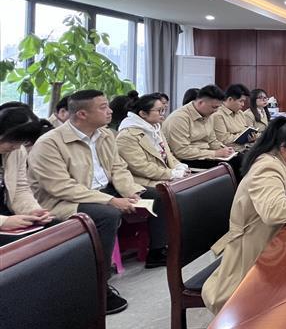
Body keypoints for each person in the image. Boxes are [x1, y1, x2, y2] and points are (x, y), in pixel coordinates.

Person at [201, 116, 286, 314]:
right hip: (257, 252)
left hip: (278, 240)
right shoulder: (267, 167)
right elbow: (273, 211)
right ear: (284, 148)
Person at [28, 89, 143, 314]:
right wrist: (111, 200)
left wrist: (131, 192)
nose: (110, 111)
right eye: (103, 107)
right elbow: (61, 187)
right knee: (107, 215)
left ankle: (159, 251)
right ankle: (97, 286)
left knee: (153, 195)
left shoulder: (105, 135)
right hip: (62, 200)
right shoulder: (50, 143)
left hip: (99, 191)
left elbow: (118, 168)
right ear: (82, 114)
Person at [116, 94, 188, 267]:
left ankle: (180, 239)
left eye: (164, 110)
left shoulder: (155, 128)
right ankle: (157, 250)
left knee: (192, 187)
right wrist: (171, 174)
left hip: (162, 175)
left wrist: (179, 167)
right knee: (163, 196)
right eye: (159, 110)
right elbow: (139, 167)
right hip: (142, 180)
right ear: (143, 113)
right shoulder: (127, 135)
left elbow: (168, 155)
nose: (163, 114)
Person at [0, 105, 54, 237]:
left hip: (8, 213)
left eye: (22, 142)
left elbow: (20, 188)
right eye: (12, 141)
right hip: (4, 220)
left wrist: (32, 210)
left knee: (56, 232)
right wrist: (3, 222)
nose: (16, 147)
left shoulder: (17, 152)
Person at [162, 84, 234, 167]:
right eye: (214, 107)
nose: (216, 111)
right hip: (185, 160)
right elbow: (182, 152)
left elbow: (212, 141)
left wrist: (224, 149)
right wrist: (215, 153)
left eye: (218, 107)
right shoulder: (179, 118)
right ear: (200, 103)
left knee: (239, 159)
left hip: (205, 155)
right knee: (231, 165)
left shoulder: (208, 114)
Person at [212, 83, 257, 152]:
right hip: (230, 152)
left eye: (244, 101)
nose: (243, 104)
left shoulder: (240, 113)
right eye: (241, 101)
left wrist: (251, 138)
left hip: (244, 148)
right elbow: (223, 140)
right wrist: (244, 137)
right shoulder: (218, 115)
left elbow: (244, 130)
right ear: (230, 99)